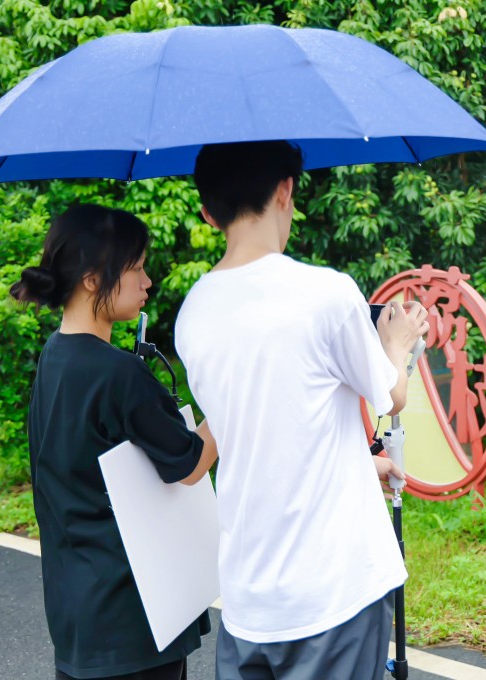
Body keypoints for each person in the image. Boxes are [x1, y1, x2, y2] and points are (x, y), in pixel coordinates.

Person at [174, 141, 428, 680]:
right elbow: (390, 394)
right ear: (286, 190)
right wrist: (399, 343)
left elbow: (259, 424)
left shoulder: (193, 312)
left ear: (207, 210)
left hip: (248, 598)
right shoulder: (325, 293)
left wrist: (358, 468)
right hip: (334, 591)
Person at [10, 204, 217, 680]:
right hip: (135, 619)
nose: (147, 282)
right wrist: (236, 406)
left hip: (78, 615)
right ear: (90, 278)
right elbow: (188, 463)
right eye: (137, 268)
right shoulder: (117, 373)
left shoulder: (55, 356)